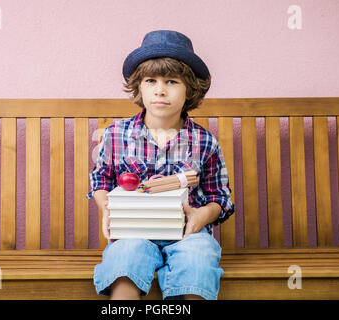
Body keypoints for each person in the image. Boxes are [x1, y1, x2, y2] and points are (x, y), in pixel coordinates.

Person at [86, 30, 234, 300]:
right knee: (125, 259)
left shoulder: (204, 141)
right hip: (133, 231)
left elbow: (220, 197)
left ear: (189, 88)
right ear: (139, 87)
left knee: (198, 260)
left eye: (171, 81)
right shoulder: (115, 135)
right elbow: (101, 181)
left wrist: (202, 216)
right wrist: (107, 209)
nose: (160, 90)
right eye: (150, 80)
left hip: (188, 234)